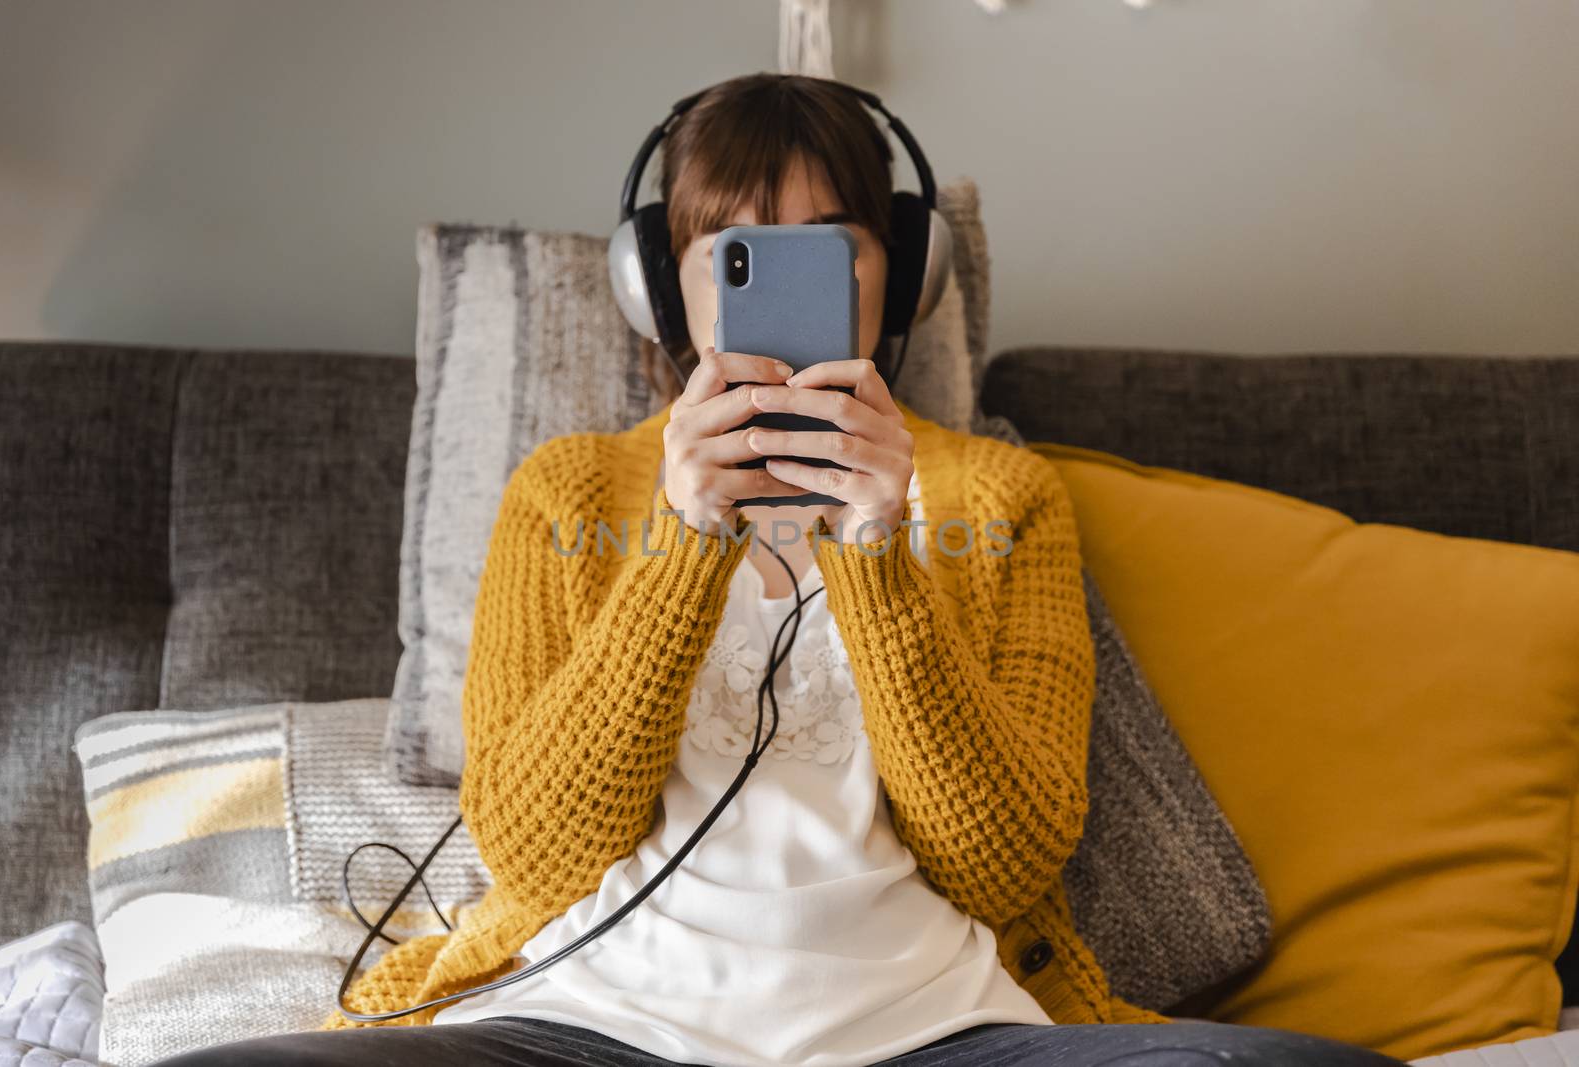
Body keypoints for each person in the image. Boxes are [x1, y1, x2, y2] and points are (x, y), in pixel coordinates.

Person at [150, 73, 1407, 1067]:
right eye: (734, 251)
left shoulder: (1002, 498)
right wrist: (685, 540)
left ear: (895, 270)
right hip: (591, 1025)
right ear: (665, 291)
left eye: (829, 243)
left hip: (936, 1031)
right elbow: (531, 852)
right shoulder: (571, 492)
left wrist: (874, 551)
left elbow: (1006, 860)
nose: (787, 274)